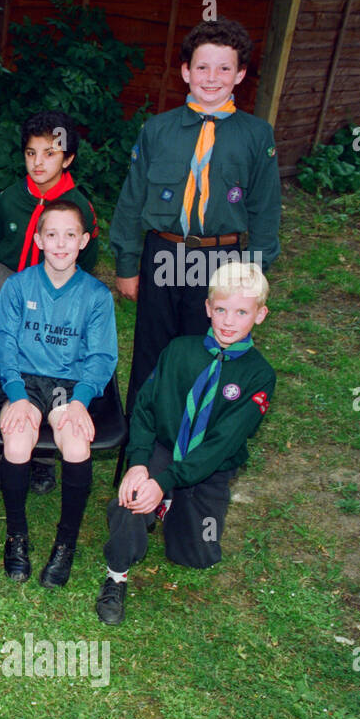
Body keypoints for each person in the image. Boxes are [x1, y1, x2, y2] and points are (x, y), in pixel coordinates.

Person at [110, 18, 281, 414]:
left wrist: (253, 273)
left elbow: (265, 209)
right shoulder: (158, 130)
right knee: (152, 354)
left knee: (206, 352)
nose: (212, 77)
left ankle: (191, 450)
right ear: (186, 71)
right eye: (202, 67)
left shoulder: (256, 135)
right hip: (163, 253)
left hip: (220, 260)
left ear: (240, 74)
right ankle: (140, 452)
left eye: (224, 68)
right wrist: (127, 262)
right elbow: (132, 200)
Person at [96, 262, 275, 625]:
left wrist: (164, 483)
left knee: (195, 554)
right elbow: (145, 409)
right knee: (130, 501)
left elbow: (221, 446)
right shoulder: (178, 350)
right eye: (221, 309)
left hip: (208, 468)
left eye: (242, 312)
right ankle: (116, 576)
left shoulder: (259, 375)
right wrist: (140, 465)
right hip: (164, 449)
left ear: (260, 315)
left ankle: (165, 503)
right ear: (208, 308)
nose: (228, 321)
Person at [0, 201, 117, 588]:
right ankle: (17, 536)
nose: (60, 243)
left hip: (67, 387)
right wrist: (16, 393)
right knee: (16, 441)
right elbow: (3, 343)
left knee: (76, 445)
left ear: (83, 241)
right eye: (52, 234)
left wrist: (80, 401)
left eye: (69, 235)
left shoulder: (95, 295)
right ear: (38, 239)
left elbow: (101, 355)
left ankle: (66, 543)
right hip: (24, 382)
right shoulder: (18, 285)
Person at [0, 111, 101, 493]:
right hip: (10, 285)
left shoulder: (79, 206)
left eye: (50, 154)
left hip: (59, 294)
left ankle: (44, 460)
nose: (39, 163)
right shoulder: (9, 199)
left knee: (53, 363)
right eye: (32, 153)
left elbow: (91, 254)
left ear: (67, 159)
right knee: (4, 356)